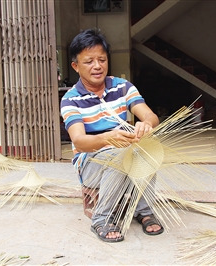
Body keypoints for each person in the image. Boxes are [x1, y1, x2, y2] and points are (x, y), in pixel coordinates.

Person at [60, 28, 163, 242]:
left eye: (102, 59)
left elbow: (150, 116)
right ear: (75, 66)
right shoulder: (70, 100)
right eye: (89, 61)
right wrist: (107, 139)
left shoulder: (122, 87)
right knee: (119, 156)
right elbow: (80, 141)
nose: (97, 66)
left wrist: (146, 124)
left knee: (147, 151)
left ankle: (143, 211)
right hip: (89, 163)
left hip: (121, 151)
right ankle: (102, 219)